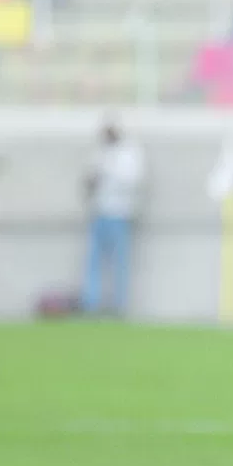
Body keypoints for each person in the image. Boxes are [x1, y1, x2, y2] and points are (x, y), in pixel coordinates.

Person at [81, 118, 145, 317]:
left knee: (119, 262)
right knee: (94, 262)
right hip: (100, 212)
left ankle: (119, 306)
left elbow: (132, 180)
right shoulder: (100, 153)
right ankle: (91, 304)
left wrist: (107, 173)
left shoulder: (130, 153)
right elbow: (90, 179)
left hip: (120, 213)